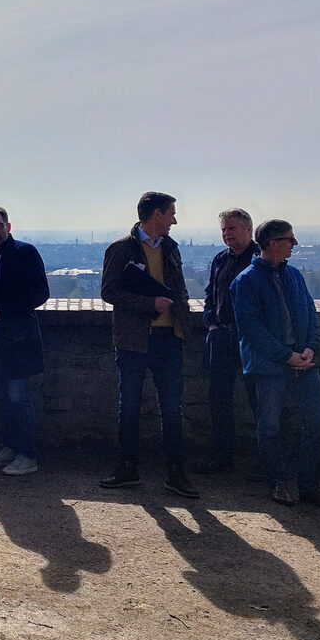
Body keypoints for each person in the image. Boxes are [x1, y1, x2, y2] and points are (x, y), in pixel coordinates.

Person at [232, 219, 320, 511]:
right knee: (269, 427)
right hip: (269, 366)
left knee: (316, 424)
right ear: (272, 243)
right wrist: (286, 355)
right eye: (290, 239)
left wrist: (310, 348)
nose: (295, 244)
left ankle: (310, 485)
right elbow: (250, 328)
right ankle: (278, 482)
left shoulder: (294, 275)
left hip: (303, 362)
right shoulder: (245, 281)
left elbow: (310, 314)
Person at [98, 192, 198, 498]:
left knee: (172, 407)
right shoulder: (120, 249)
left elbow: (178, 290)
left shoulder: (171, 248)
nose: (174, 220)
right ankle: (127, 467)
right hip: (134, 340)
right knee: (128, 406)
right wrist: (148, 303)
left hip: (168, 338)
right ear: (156, 214)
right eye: (171, 214)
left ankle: (176, 473)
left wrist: (182, 321)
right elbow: (108, 292)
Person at [0, 206, 50, 477]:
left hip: (15, 341)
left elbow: (41, 293)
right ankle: (10, 447)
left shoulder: (24, 253)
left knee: (18, 398)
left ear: (8, 227)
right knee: (3, 398)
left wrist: (6, 310)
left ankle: (28, 454)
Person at [196, 208, 260, 474]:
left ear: (248, 229)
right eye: (223, 230)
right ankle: (222, 457)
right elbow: (211, 292)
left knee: (259, 400)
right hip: (222, 335)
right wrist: (211, 323)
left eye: (231, 229)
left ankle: (264, 460)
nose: (226, 234)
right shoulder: (220, 259)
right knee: (219, 399)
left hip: (252, 339)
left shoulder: (260, 259)